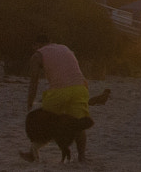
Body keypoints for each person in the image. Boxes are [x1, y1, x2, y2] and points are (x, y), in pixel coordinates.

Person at [22, 34, 103, 163]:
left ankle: (33, 153)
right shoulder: (65, 48)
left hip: (59, 91)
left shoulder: (37, 55)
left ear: (36, 45)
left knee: (45, 120)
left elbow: (34, 82)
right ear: (51, 42)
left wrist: (30, 103)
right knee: (78, 124)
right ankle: (82, 157)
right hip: (80, 88)